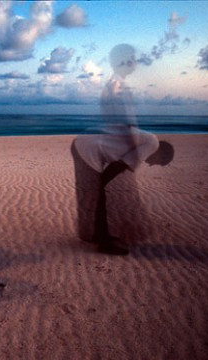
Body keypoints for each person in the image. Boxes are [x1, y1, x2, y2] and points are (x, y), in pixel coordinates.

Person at [71, 44, 174, 255]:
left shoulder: (114, 86)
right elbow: (117, 166)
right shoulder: (150, 143)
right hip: (87, 148)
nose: (152, 164)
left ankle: (100, 237)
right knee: (100, 195)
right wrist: (106, 182)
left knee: (99, 194)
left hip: (87, 143)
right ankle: (103, 242)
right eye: (159, 162)